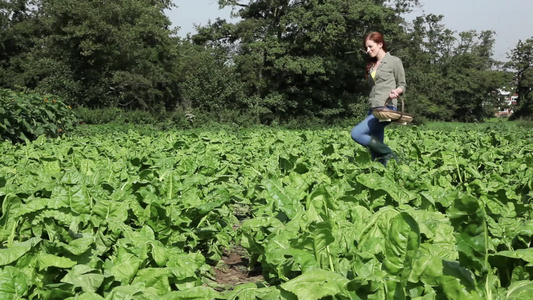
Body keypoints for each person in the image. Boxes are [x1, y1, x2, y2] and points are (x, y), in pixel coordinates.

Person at [351, 32, 406, 166]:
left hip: (386, 109)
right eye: (366, 48)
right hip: (373, 108)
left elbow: (402, 85)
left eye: (371, 47)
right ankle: (384, 173)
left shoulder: (394, 61)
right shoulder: (372, 65)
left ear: (380, 44)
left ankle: (388, 153)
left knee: (356, 133)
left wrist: (396, 91)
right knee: (376, 149)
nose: (368, 50)